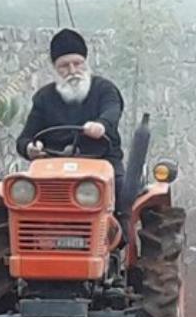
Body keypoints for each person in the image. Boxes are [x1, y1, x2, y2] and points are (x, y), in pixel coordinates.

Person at [15, 28, 129, 214]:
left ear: (86, 63)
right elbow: (24, 138)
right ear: (55, 68)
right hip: (53, 168)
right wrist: (30, 148)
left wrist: (100, 125)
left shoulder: (104, 89)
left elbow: (112, 111)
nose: (72, 71)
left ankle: (122, 237)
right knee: (16, 197)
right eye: (64, 66)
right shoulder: (44, 98)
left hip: (101, 162)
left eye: (77, 63)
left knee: (124, 194)